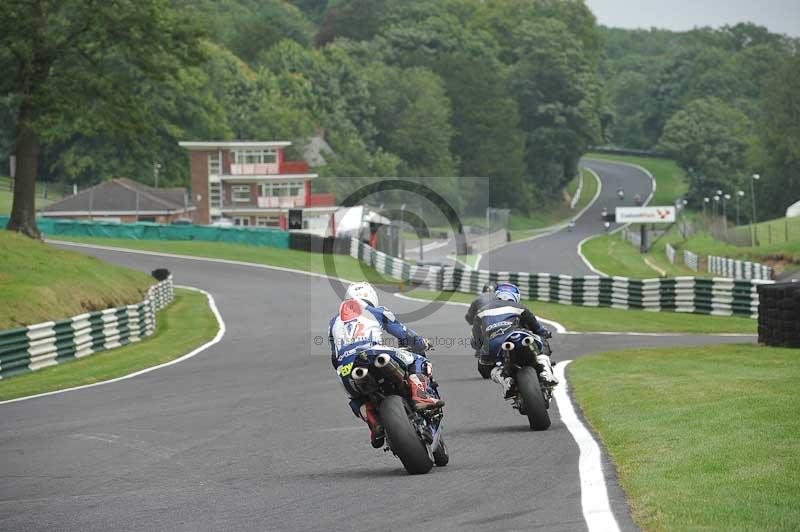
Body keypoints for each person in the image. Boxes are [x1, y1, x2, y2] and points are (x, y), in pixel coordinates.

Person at [329, 282, 444, 448]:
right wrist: (421, 343)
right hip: (372, 353)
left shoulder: (333, 322)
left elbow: (334, 358)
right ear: (371, 297)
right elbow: (404, 333)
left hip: (345, 369)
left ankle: (373, 422)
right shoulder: (377, 311)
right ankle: (421, 394)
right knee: (418, 360)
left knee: (355, 399)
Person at [471, 283, 557, 397]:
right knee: (541, 340)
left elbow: (476, 341)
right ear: (515, 296)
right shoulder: (519, 307)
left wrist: (479, 346)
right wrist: (545, 333)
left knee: (485, 366)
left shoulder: (481, 312)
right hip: (517, 337)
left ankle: (506, 381)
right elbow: (537, 328)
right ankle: (546, 373)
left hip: (493, 345)